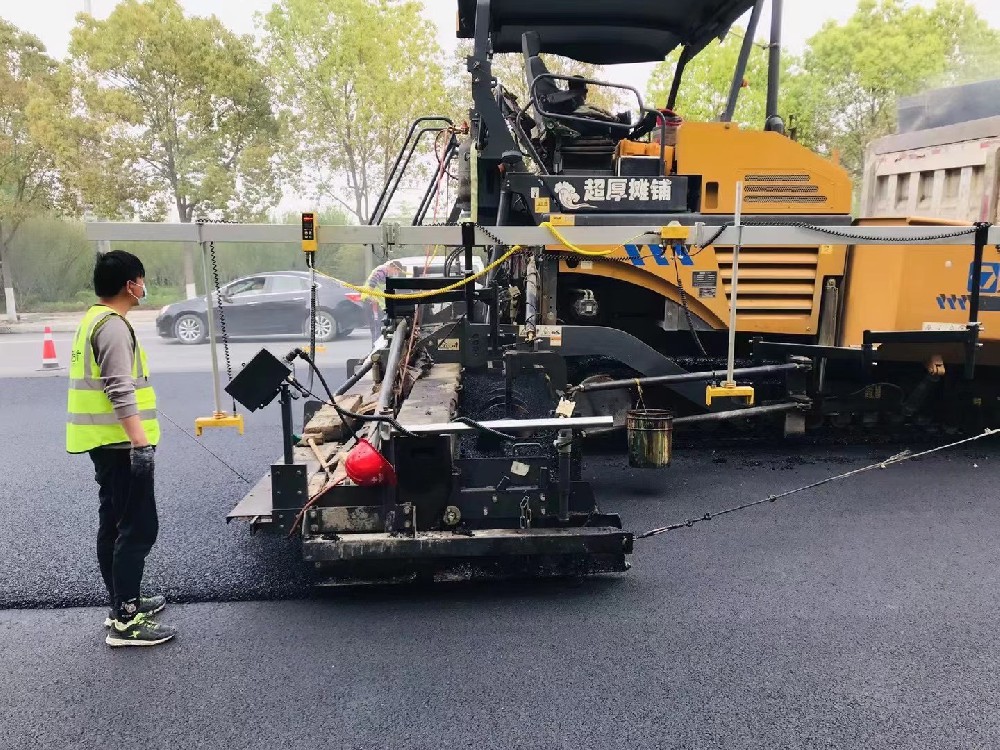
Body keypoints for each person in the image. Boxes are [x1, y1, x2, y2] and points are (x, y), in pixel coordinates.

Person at [66, 250, 176, 647]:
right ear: (131, 284)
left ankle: (122, 602)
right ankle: (126, 621)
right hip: (121, 445)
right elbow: (118, 389)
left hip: (106, 444)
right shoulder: (112, 327)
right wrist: (140, 445)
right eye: (141, 280)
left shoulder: (92, 320)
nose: (143, 287)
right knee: (138, 527)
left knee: (114, 523)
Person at [361, 260, 404, 345]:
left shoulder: (385, 273)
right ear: (393, 267)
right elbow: (372, 283)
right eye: (395, 271)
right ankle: (376, 347)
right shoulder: (382, 270)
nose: (394, 274)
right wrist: (371, 297)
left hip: (376, 302)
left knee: (378, 327)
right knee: (377, 327)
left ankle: (376, 346)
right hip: (372, 302)